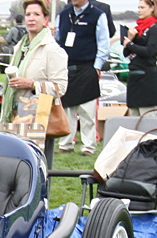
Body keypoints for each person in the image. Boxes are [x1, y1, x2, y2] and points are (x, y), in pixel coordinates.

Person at [0, 0, 68, 165]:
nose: (31, 18)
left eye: (36, 14)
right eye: (28, 14)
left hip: (39, 118)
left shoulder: (53, 50)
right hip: (15, 116)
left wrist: (31, 84)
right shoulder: (20, 47)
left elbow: (61, 87)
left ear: (45, 18)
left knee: (39, 169)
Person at [54, 0, 111, 155]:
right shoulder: (64, 14)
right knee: (67, 109)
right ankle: (65, 144)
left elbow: (104, 43)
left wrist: (97, 66)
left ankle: (88, 146)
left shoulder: (98, 15)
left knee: (87, 111)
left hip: (88, 67)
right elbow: (57, 38)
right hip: (67, 68)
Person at [121, 0, 157, 116]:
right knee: (134, 118)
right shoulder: (137, 29)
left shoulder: (156, 28)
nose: (139, 10)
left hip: (147, 77)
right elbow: (126, 53)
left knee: (148, 117)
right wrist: (131, 38)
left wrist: (130, 44)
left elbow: (150, 51)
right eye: (138, 7)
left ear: (152, 8)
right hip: (134, 75)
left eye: (142, 7)